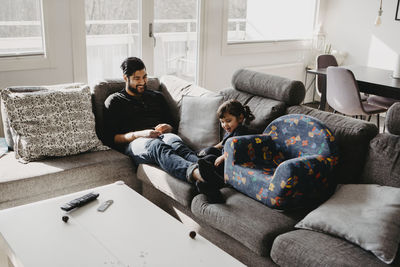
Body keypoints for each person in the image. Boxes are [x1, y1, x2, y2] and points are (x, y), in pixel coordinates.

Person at [103, 57, 223, 203]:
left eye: (145, 77)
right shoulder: (115, 101)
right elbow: (110, 138)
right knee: (157, 147)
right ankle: (199, 174)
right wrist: (141, 134)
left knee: (178, 145)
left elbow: (173, 124)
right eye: (137, 78)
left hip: (164, 135)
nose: (142, 82)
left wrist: (169, 127)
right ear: (125, 78)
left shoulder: (157, 97)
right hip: (137, 142)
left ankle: (209, 177)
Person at [197, 100, 255, 187]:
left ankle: (217, 180)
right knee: (209, 150)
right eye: (222, 122)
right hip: (224, 155)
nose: (224, 125)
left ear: (240, 118)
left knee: (210, 158)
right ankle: (200, 163)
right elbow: (223, 142)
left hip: (231, 162)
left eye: (228, 121)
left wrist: (223, 156)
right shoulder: (231, 129)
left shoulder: (241, 132)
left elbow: (237, 148)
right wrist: (213, 148)